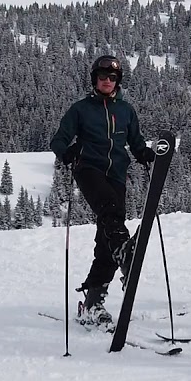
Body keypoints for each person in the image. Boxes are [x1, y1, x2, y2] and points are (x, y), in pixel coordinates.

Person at [49, 55, 157, 327]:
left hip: (117, 175)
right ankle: (124, 251)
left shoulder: (126, 110)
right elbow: (59, 139)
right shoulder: (81, 109)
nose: (108, 81)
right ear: (94, 79)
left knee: (105, 238)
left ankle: (92, 300)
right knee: (110, 211)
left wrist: (144, 153)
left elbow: (135, 141)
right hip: (88, 169)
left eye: (112, 78)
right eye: (103, 77)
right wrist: (67, 152)